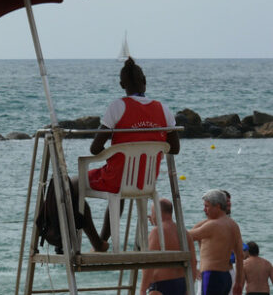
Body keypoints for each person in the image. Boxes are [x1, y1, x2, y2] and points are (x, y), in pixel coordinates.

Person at [88, 57, 180, 245]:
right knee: (121, 189)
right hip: (145, 181)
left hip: (116, 178)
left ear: (122, 84)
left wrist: (114, 154)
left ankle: (98, 242)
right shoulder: (163, 109)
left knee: (70, 186)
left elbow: (95, 148)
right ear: (144, 81)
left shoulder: (117, 106)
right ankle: (105, 240)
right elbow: (175, 148)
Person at [189, 190, 244, 295]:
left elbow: (186, 236)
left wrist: (162, 225)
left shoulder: (212, 226)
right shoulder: (233, 225)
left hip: (212, 275)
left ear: (218, 206)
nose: (204, 210)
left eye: (207, 206)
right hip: (227, 277)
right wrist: (238, 282)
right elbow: (240, 256)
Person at [140, 198, 197, 295]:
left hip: (161, 286)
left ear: (158, 212)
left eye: (152, 213)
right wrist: (189, 288)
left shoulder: (157, 232)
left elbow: (149, 263)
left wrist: (142, 290)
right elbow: (193, 262)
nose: (151, 216)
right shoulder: (184, 232)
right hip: (182, 284)